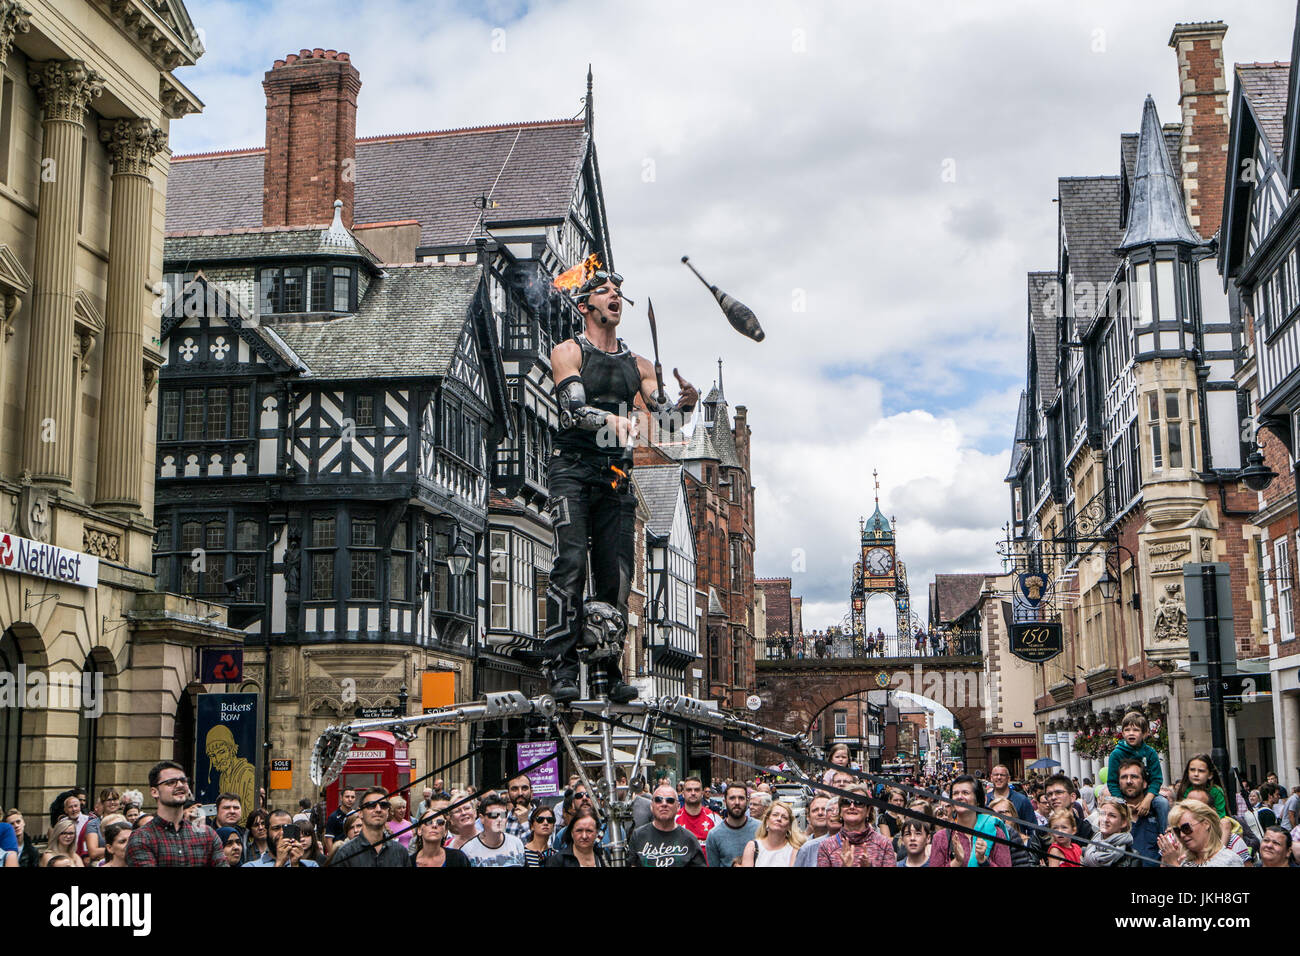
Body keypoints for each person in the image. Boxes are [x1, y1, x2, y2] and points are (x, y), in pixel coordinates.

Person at [532, 263, 697, 705]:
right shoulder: (568, 352)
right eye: (604, 292)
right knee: (570, 567)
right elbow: (573, 412)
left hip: (617, 478)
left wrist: (685, 404)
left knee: (617, 579)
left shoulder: (639, 364)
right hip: (572, 470)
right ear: (585, 305)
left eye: (618, 292)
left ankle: (608, 673)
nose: (614, 297)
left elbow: (665, 420)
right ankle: (562, 669)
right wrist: (613, 420)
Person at [125, 761, 226, 866]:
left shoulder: (207, 834)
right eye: (171, 782)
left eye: (183, 781)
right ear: (154, 792)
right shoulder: (142, 837)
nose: (180, 785)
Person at [929, 775, 1011, 867]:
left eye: (965, 793)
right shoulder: (940, 838)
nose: (959, 797)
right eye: (955, 793)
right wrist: (957, 862)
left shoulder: (996, 833)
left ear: (978, 800)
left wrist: (983, 861)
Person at [627, 783, 706, 867]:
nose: (664, 804)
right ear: (651, 806)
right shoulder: (638, 836)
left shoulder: (690, 839)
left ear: (678, 806)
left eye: (670, 800)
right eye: (658, 800)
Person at [329, 787, 408, 867]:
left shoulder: (401, 852)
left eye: (383, 805)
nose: (378, 809)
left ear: (388, 812)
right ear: (360, 813)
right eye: (371, 805)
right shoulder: (344, 853)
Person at [818, 784, 894, 867]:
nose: (852, 806)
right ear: (840, 811)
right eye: (846, 802)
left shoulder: (884, 844)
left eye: (858, 803)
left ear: (868, 810)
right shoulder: (826, 846)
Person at [1159, 798, 1243, 867]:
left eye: (1186, 828)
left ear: (1206, 824)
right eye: (1177, 831)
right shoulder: (1185, 862)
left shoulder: (1229, 860)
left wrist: (1173, 864)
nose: (1182, 835)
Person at [460, 793, 526, 867]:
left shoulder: (517, 844)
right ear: (482, 818)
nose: (499, 819)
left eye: (503, 815)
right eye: (493, 815)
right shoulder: (467, 851)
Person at [706, 781, 759, 868]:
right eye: (732, 798)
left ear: (747, 801)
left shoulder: (760, 829)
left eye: (741, 798)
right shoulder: (714, 835)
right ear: (725, 801)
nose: (737, 802)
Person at [243, 809, 319, 868]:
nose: (282, 833)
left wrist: (295, 864)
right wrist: (279, 863)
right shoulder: (251, 865)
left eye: (286, 828)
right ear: (267, 831)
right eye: (276, 828)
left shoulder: (311, 865)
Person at [739, 800, 804, 867]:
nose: (779, 819)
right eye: (775, 815)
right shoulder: (752, 847)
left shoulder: (794, 850)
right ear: (767, 820)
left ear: (789, 825)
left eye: (784, 817)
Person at [410, 801, 470, 868]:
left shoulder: (458, 858)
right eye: (428, 821)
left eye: (440, 822)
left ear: (445, 832)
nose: (434, 825)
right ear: (419, 830)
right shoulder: (409, 862)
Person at [675, 776, 720, 862]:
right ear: (683, 793)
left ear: (702, 793)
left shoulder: (714, 818)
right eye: (689, 790)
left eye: (696, 790)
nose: (693, 793)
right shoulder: (674, 819)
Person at [988, 798, 1036, 867]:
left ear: (1013, 815)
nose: (998, 818)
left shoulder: (1030, 842)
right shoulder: (988, 842)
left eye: (1002, 813)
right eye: (994, 814)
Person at [796, 798, 842, 866]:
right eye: (815, 810)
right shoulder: (806, 848)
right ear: (808, 817)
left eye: (824, 809)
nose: (820, 813)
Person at [324, 786, 356, 855]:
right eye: (347, 797)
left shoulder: (356, 815)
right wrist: (333, 857)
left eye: (352, 797)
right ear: (341, 798)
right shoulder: (333, 817)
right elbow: (328, 840)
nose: (350, 799)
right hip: (339, 852)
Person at [505, 774, 538, 840]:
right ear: (508, 794)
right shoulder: (503, 817)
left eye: (524, 788)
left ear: (531, 792)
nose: (520, 793)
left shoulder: (542, 817)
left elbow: (541, 848)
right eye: (514, 789)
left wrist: (524, 823)